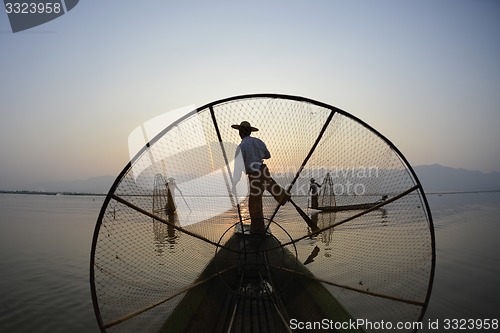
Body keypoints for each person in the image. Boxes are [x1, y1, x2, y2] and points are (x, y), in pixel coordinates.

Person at [231, 121, 290, 234]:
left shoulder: (241, 146)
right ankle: (282, 195)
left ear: (240, 133)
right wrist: (257, 154)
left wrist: (234, 183)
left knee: (254, 201)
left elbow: (238, 168)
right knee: (269, 185)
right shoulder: (258, 142)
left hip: (254, 175)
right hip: (263, 170)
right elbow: (267, 155)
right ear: (249, 132)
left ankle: (257, 229)